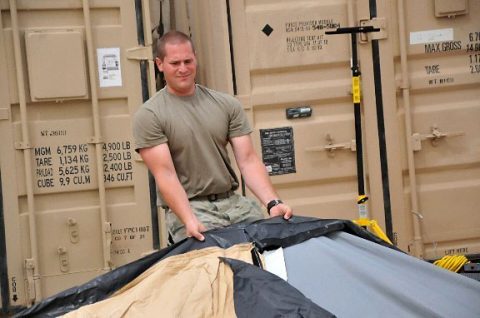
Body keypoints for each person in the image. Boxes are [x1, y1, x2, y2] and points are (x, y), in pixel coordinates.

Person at [133, 30, 292, 243]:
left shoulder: (227, 104)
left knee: (269, 251)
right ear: (160, 64)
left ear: (196, 59)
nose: (183, 69)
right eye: (175, 63)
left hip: (234, 203)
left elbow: (248, 160)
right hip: (191, 207)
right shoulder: (150, 115)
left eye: (188, 61)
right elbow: (166, 176)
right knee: (209, 265)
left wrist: (273, 203)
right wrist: (188, 219)